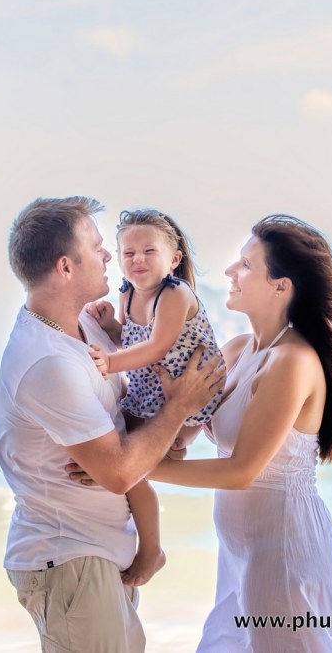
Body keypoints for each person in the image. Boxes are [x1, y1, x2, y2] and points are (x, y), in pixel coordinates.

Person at [69, 214, 332, 652]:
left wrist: (128, 469)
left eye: (246, 265)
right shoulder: (240, 350)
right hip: (239, 551)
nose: (229, 273)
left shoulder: (292, 362)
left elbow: (241, 471)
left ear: (281, 286)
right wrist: (162, 424)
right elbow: (188, 424)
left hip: (284, 549)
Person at [0, 196, 225, 653]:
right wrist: (179, 409)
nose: (109, 256)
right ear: (65, 267)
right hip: (71, 559)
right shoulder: (47, 361)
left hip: (97, 559)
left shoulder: (84, 325)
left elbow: (126, 419)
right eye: (98, 247)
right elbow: (119, 472)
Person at [84, 208, 224, 587]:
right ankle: (108, 479)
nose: (138, 260)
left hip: (188, 396)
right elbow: (130, 337)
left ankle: (152, 550)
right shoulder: (128, 293)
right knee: (116, 451)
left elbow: (156, 346)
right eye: (129, 253)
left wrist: (110, 363)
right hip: (148, 396)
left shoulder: (175, 294)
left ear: (173, 259)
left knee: (135, 468)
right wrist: (108, 322)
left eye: (149, 251)